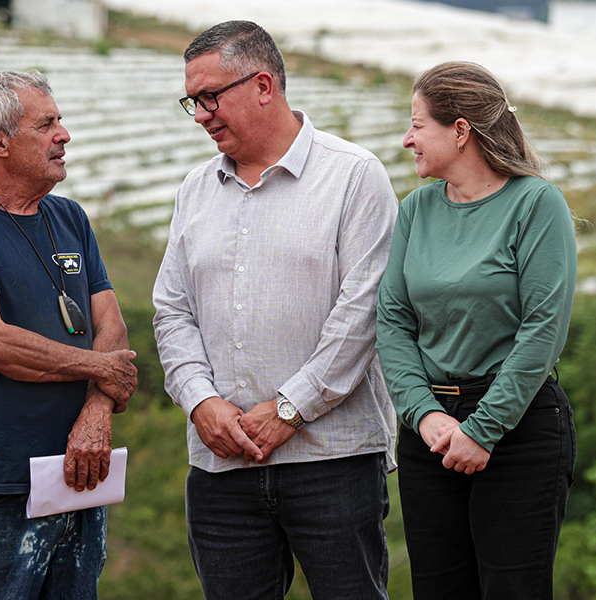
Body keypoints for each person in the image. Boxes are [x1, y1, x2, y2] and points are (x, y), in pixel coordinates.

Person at [152, 20, 398, 600]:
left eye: (210, 97)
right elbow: (171, 310)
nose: (201, 115)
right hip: (221, 468)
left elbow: (364, 311)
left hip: (332, 462)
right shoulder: (195, 189)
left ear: (263, 85)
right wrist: (200, 401)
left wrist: (289, 409)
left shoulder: (353, 175)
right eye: (192, 101)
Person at [0, 70, 138, 600]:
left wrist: (97, 413)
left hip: (83, 471)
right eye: (46, 124)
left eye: (60, 120)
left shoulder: (70, 217)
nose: (63, 134)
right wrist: (101, 369)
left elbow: (111, 325)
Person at [376, 61, 577, 600]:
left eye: (418, 125)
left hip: (518, 429)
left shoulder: (536, 204)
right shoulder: (416, 209)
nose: (407, 139)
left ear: (460, 130)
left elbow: (543, 330)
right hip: (431, 434)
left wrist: (482, 430)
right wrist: (425, 414)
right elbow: (392, 321)